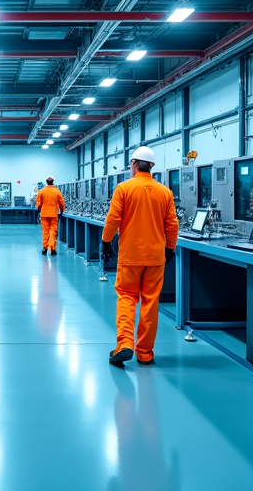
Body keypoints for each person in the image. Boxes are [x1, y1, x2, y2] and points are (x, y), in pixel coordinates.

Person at [101, 146, 178, 366]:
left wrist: (106, 242)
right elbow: (172, 224)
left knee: (126, 297)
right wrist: (170, 248)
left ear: (133, 164)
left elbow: (113, 219)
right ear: (151, 166)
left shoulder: (124, 188)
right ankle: (145, 352)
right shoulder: (165, 192)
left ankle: (125, 343)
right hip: (155, 257)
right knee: (150, 302)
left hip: (130, 256)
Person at [36, 176, 65, 256]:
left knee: (45, 231)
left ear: (46, 182)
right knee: (53, 231)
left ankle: (45, 248)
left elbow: (38, 203)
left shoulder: (42, 191)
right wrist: (62, 212)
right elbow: (61, 203)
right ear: (53, 182)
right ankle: (52, 249)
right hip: (53, 214)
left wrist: (39, 211)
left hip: (44, 214)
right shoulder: (57, 191)